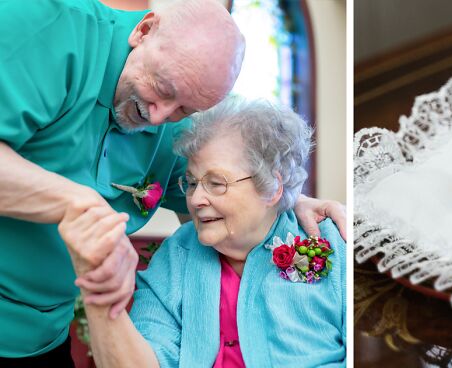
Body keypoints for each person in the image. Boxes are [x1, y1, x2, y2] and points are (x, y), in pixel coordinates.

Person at [0, 0, 345, 364]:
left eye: (184, 109)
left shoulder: (177, 133)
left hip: (40, 339)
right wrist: (78, 205)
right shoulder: (46, 22)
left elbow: (225, 195)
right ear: (144, 31)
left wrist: (287, 199)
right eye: (162, 88)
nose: (158, 116)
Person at [60, 97, 346, 367]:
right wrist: (99, 286)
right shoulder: (176, 258)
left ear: (272, 187)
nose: (196, 200)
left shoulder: (330, 241)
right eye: (192, 183)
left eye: (216, 183)